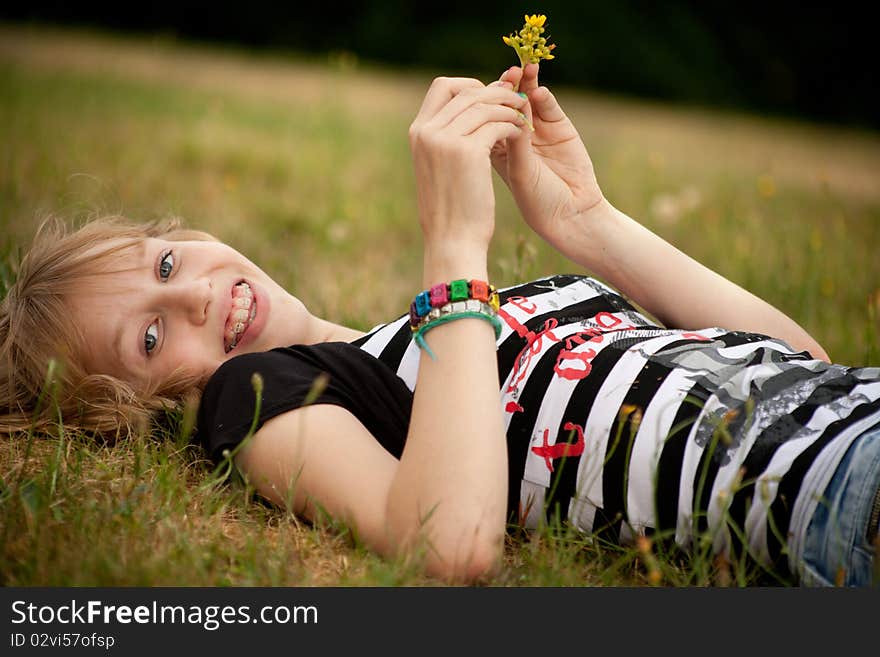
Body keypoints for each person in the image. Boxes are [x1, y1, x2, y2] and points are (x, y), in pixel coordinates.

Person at [1, 64, 878, 587]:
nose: (189, 294)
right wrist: (456, 248)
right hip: (830, 496)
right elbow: (449, 543)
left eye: (163, 261)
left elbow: (799, 360)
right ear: (139, 410)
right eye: (150, 339)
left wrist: (585, 221)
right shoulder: (256, 395)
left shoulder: (438, 334)